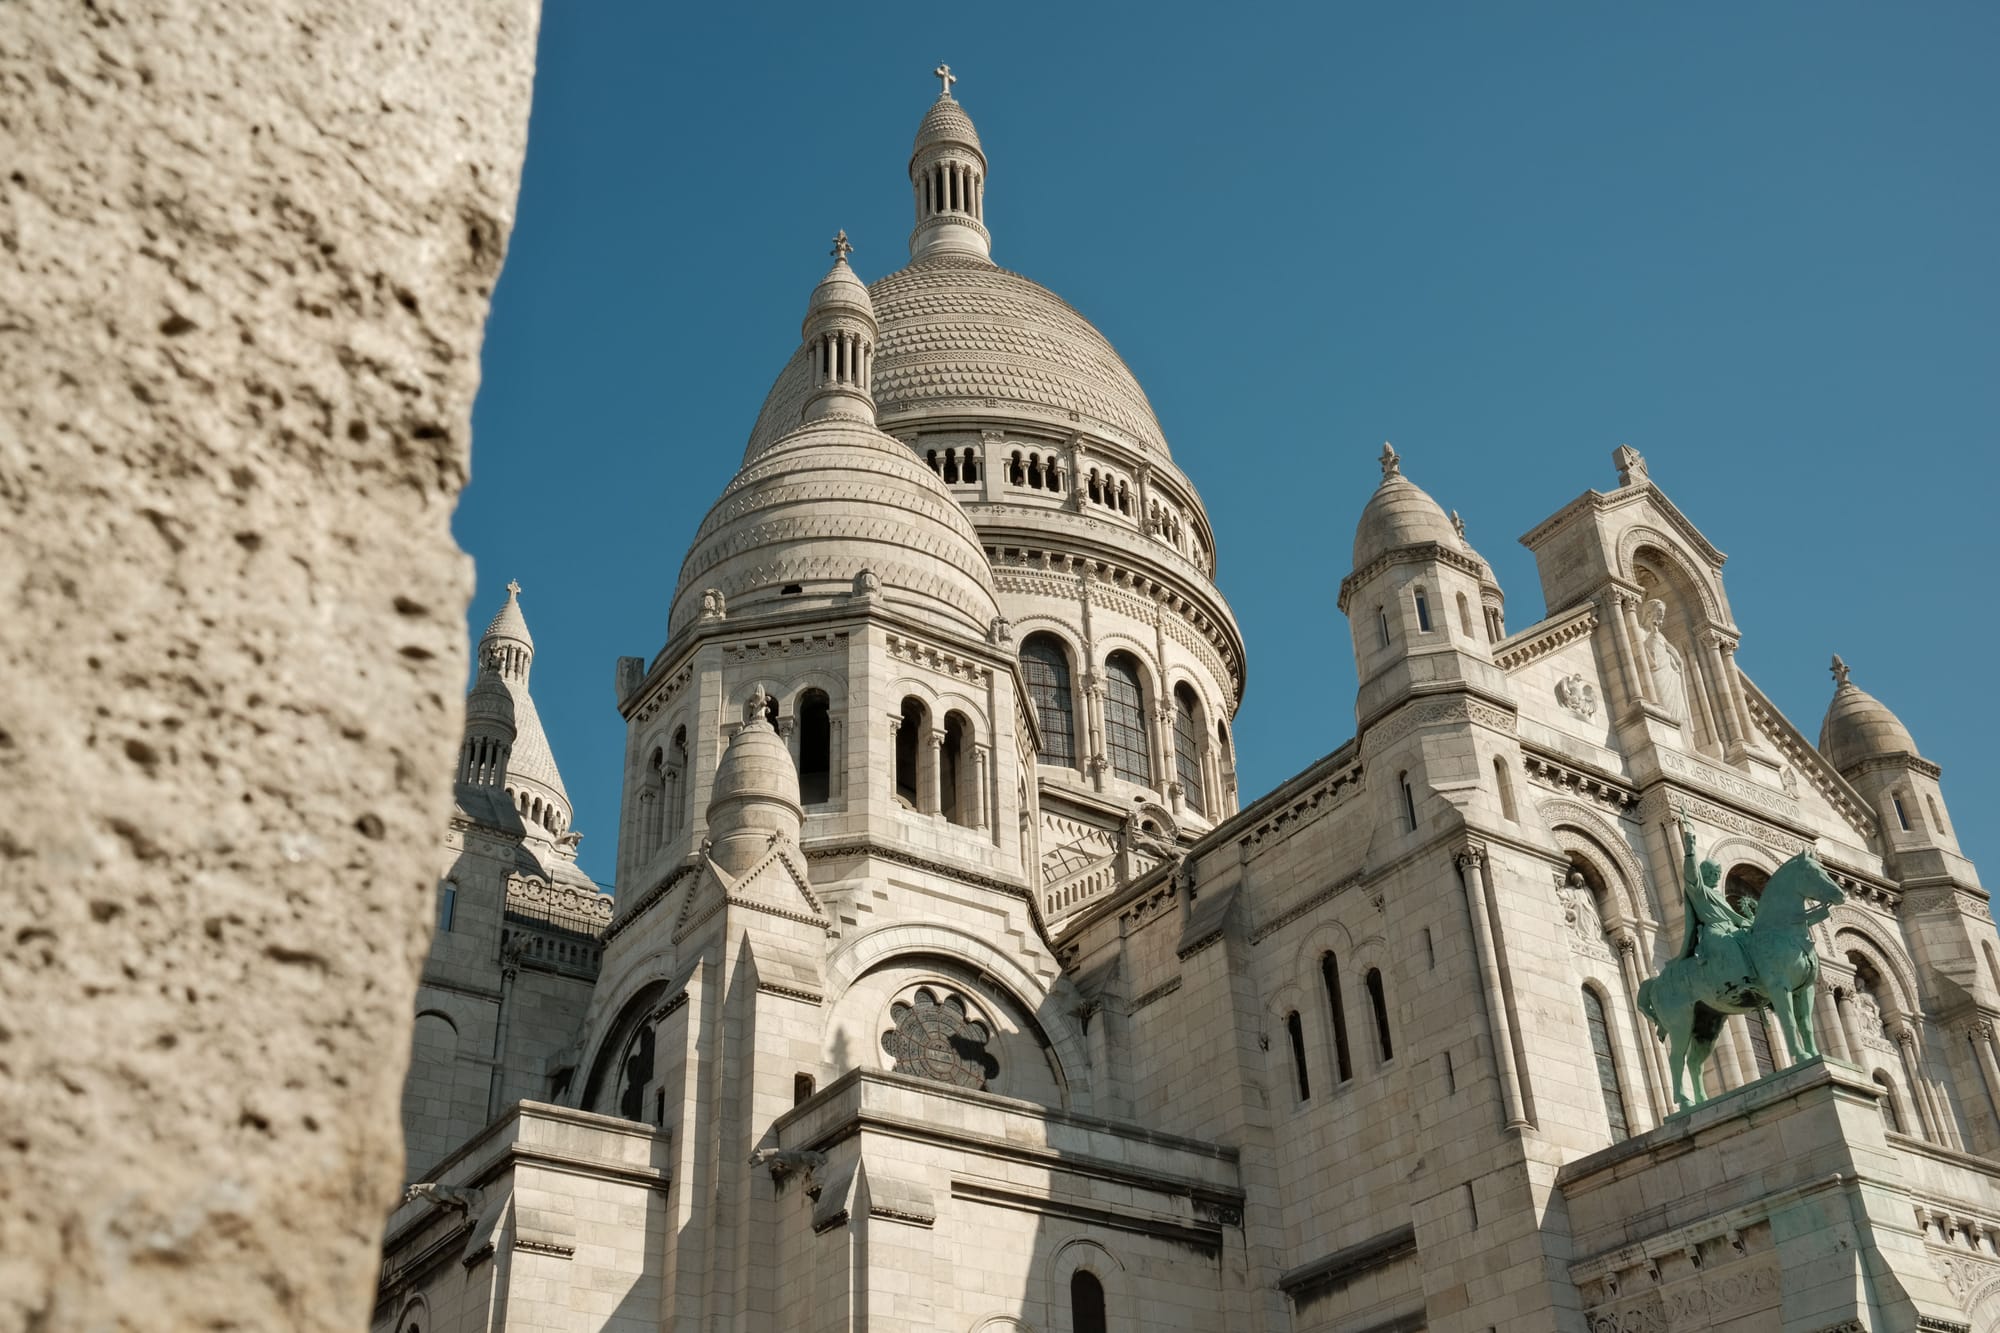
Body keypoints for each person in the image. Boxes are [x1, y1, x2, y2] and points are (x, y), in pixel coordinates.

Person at [1677, 807, 1752, 964]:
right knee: (1731, 945)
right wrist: (1690, 849)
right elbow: (1691, 874)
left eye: (1718, 875)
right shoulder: (1699, 891)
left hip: (1732, 930)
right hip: (1714, 932)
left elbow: (1734, 918)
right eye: (1714, 874)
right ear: (1704, 873)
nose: (1717, 879)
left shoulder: (1717, 895)